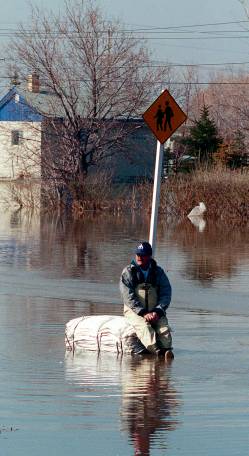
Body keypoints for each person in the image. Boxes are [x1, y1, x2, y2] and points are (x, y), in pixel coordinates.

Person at [120, 241, 174, 361]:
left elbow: (166, 293)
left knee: (164, 331)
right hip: (135, 312)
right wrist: (143, 312)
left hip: (155, 311)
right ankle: (158, 354)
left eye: (142, 255)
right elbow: (128, 296)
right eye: (138, 254)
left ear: (149, 256)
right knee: (145, 328)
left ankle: (167, 351)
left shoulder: (158, 272)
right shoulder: (128, 272)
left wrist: (158, 311)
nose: (139, 257)